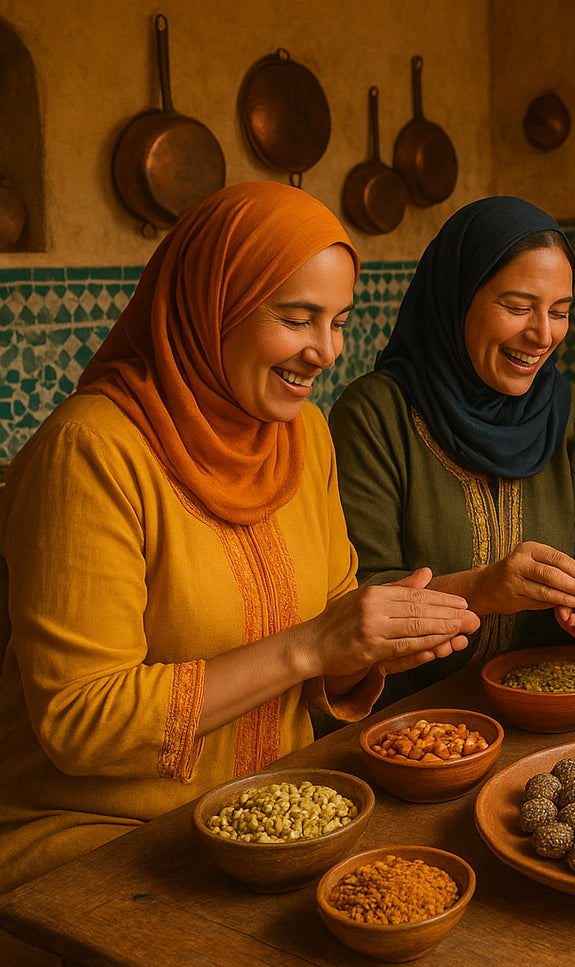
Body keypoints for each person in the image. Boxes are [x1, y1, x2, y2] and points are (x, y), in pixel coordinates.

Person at [0, 182, 480, 893]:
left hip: (273, 811)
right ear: (212, 304)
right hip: (93, 834)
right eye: (297, 318)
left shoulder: (303, 436)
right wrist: (310, 644)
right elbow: (79, 721)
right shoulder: (92, 452)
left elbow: (325, 646)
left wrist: (366, 643)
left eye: (339, 321)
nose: (324, 351)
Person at [329, 196, 575, 709]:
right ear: (458, 297)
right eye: (518, 307)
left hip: (550, 714)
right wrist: (480, 589)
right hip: (411, 725)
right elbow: (353, 598)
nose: (543, 335)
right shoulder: (375, 415)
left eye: (559, 312)